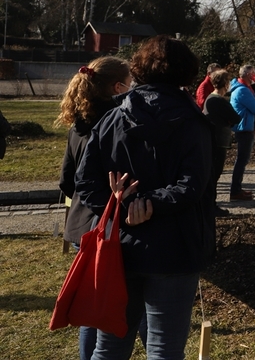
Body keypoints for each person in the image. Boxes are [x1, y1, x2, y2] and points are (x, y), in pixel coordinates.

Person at [75, 35, 213, 360]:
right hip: (173, 248)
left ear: (139, 69)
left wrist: (128, 206)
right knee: (163, 349)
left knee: (109, 347)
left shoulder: (110, 119)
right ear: (187, 72)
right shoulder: (194, 124)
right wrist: (136, 206)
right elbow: (193, 184)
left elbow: (85, 181)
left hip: (121, 244)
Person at [57, 57, 131, 360]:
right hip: (105, 225)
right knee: (104, 306)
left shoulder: (78, 125)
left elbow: (66, 180)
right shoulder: (116, 123)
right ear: (118, 87)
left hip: (80, 224)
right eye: (130, 83)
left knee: (91, 301)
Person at [203, 69, 241, 218]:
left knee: (213, 174)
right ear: (225, 83)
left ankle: (210, 205)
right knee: (214, 174)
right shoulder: (218, 100)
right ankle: (210, 206)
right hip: (218, 141)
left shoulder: (210, 98)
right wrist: (228, 120)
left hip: (215, 140)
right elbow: (236, 118)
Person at [229, 64, 255, 202]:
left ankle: (237, 188)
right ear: (247, 75)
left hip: (246, 127)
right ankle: (235, 190)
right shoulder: (242, 90)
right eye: (253, 73)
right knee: (241, 160)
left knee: (243, 160)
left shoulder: (245, 89)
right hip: (244, 128)